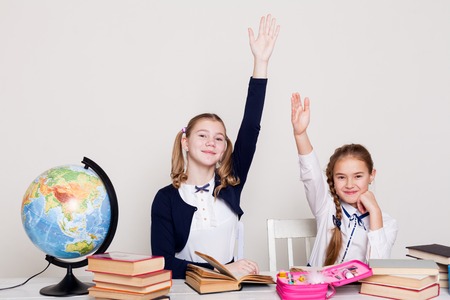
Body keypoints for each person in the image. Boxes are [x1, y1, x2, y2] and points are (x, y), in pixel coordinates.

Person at [151, 14, 280, 279]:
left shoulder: (231, 184)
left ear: (224, 149)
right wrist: (220, 270)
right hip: (186, 291)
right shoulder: (165, 199)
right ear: (185, 142)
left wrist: (261, 63)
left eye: (219, 138)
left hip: (231, 289)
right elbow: (163, 264)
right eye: (202, 136)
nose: (211, 142)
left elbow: (250, 128)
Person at [290, 92, 398, 267]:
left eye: (358, 176)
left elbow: (379, 269)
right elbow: (311, 173)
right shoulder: (326, 206)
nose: (349, 184)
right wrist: (300, 134)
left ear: (372, 175)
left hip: (356, 293)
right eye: (341, 177)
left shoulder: (387, 223)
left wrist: (375, 212)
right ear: (332, 178)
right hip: (317, 290)